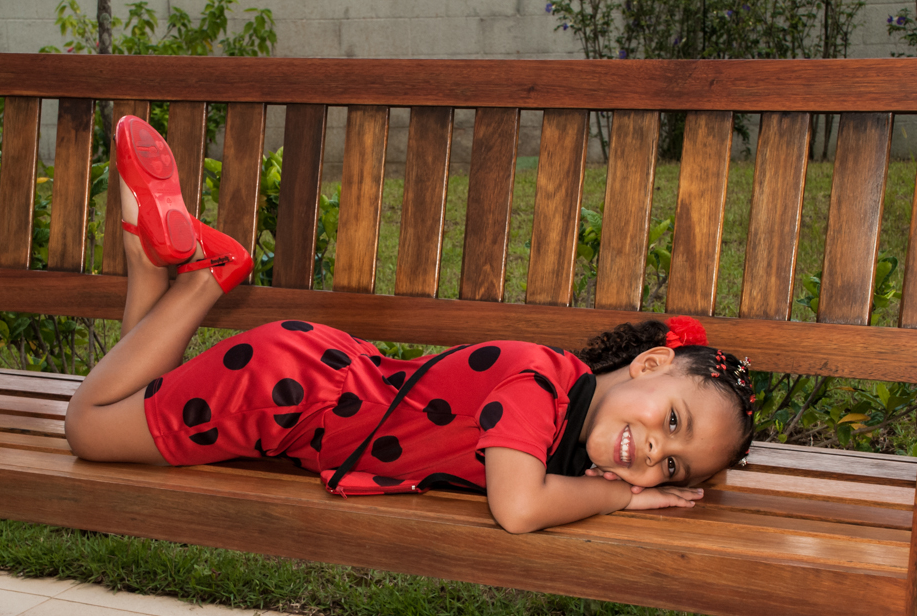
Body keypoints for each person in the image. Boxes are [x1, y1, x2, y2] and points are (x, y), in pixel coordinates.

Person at [65, 117, 756, 534]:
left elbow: (690, 456)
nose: (653, 454)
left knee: (130, 408)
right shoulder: (539, 387)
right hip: (284, 392)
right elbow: (516, 507)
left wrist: (678, 469)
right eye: (670, 420)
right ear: (648, 363)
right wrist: (613, 497)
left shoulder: (574, 399)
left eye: (672, 463)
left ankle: (146, 266)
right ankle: (209, 276)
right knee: (89, 428)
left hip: (308, 379)